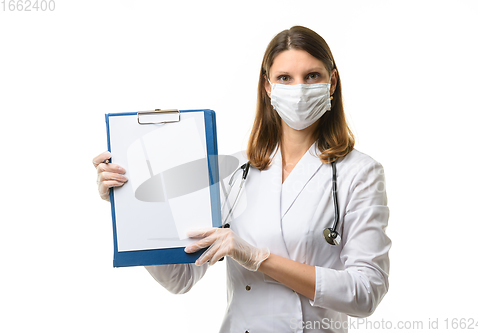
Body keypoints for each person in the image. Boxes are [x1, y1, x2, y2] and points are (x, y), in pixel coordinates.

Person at [93, 26, 391, 333]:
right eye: (285, 78)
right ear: (267, 86)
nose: (299, 89)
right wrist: (128, 203)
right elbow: (180, 279)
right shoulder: (234, 171)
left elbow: (366, 292)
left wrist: (259, 258)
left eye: (312, 76)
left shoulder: (360, 172)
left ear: (332, 82)